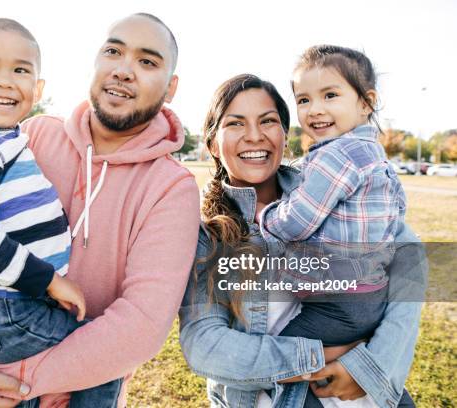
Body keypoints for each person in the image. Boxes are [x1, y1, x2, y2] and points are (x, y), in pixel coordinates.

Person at [0, 13, 200, 408]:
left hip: (71, 390)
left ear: (171, 86)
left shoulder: (172, 187)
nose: (123, 70)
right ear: (95, 62)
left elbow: (142, 324)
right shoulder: (33, 135)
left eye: (147, 61)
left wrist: (19, 378)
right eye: (113, 51)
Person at [179, 74, 425, 408]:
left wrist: (371, 369)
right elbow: (206, 346)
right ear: (212, 144)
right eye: (236, 124)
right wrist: (317, 358)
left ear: (284, 133)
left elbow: (408, 262)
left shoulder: (332, 188)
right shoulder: (205, 234)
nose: (254, 136)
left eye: (268, 121)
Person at [0, 18, 123, 408]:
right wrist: (50, 281)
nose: (4, 80)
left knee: (32, 390)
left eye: (20, 70)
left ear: (38, 88)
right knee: (105, 360)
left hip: (14, 306)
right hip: (5, 310)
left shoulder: (7, 139)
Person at [254, 45, 408, 406]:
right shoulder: (374, 155)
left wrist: (265, 213)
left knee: (282, 359)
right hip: (368, 295)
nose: (315, 109)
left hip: (337, 299)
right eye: (304, 100)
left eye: (330, 95)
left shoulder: (336, 155)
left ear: (366, 102)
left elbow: (296, 221)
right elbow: (397, 214)